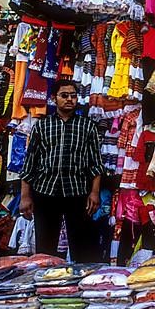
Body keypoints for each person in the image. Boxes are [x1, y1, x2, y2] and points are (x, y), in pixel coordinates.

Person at [19, 79, 105, 262]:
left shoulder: (87, 126)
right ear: (54, 98)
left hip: (77, 192)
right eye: (64, 96)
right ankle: (45, 285)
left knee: (82, 247)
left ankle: (80, 283)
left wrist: (95, 193)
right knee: (45, 247)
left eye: (73, 96)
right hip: (45, 191)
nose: (69, 100)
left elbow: (95, 164)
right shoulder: (42, 126)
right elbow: (30, 163)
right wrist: (25, 196)